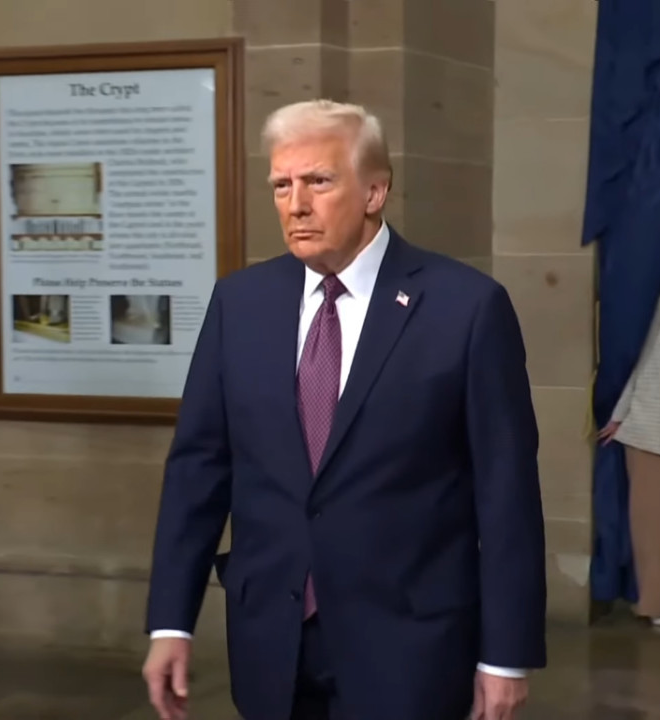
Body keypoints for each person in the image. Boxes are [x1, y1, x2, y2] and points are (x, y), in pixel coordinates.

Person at [141, 100, 546, 720]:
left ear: (375, 191)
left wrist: (505, 656)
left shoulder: (465, 309)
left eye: (318, 181)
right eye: (281, 185)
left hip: (410, 644)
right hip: (270, 639)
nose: (295, 204)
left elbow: (507, 493)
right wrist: (171, 621)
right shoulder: (240, 303)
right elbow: (198, 468)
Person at [597, 231, 660, 629]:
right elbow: (635, 365)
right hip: (651, 419)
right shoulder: (651, 303)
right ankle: (656, 603)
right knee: (654, 521)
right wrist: (620, 415)